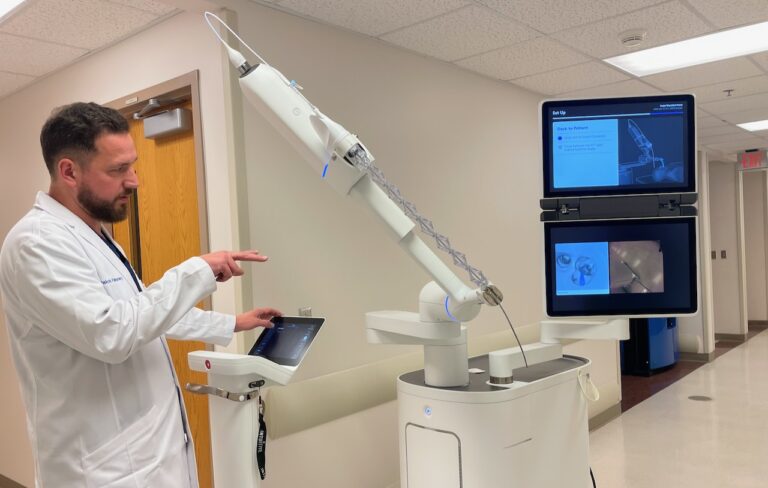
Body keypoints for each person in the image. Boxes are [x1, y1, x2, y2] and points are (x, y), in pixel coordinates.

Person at [0, 102, 281, 487]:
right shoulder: (36, 243)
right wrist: (196, 269)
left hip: (148, 456)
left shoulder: (93, 236)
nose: (133, 181)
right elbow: (111, 333)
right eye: (117, 170)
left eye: (132, 166)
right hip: (102, 470)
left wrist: (232, 323)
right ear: (69, 171)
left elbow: (141, 311)